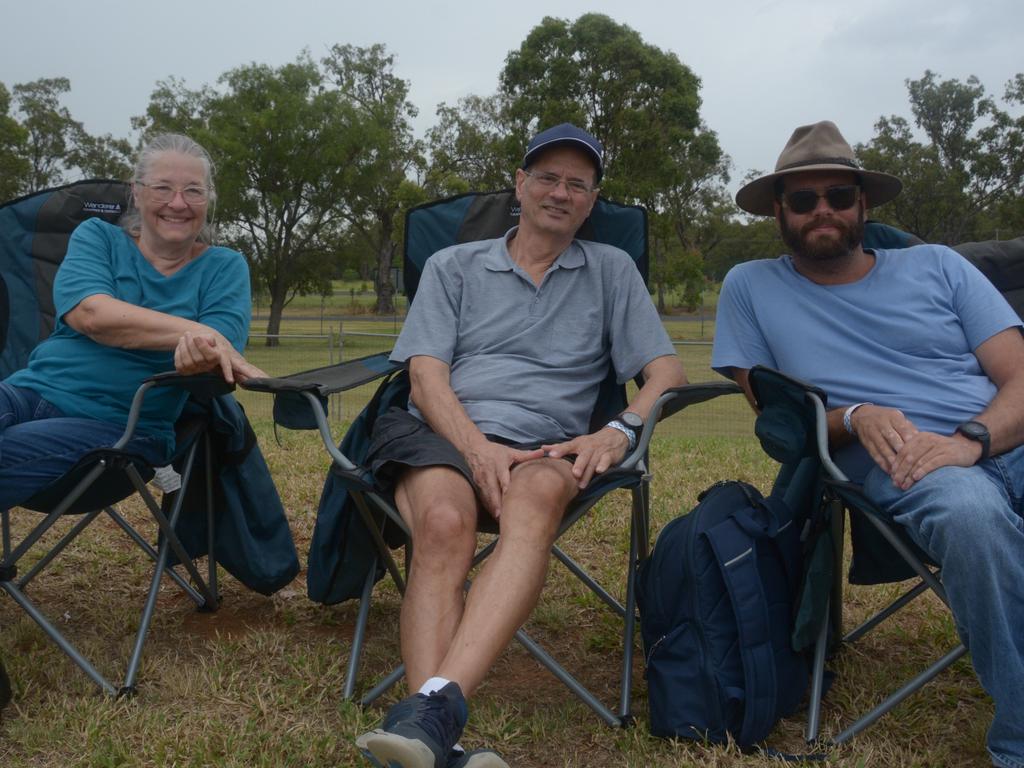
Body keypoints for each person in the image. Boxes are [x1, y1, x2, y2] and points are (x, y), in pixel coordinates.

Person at [355, 123, 686, 768]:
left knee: (533, 501)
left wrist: (619, 430)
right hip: (444, 431)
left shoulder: (611, 271)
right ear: (520, 185)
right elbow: (424, 378)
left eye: (577, 184)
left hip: (549, 446)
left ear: (592, 201)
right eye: (547, 178)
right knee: (446, 521)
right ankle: (439, 728)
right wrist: (477, 449)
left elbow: (665, 374)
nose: (560, 193)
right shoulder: (454, 266)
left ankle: (426, 723)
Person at [711, 120, 1024, 768]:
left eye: (837, 195)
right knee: (972, 519)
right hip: (904, 462)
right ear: (779, 210)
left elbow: (1019, 374)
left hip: (993, 436)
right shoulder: (750, 286)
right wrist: (852, 415)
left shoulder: (938, 265)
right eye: (802, 198)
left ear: (863, 205)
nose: (821, 209)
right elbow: (778, 416)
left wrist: (974, 438)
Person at [0, 132, 264, 511]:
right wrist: (195, 331)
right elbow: (91, 314)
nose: (178, 203)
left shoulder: (224, 267)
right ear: (136, 193)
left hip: (123, 428)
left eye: (193, 191)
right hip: (28, 392)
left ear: (209, 200)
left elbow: (222, 350)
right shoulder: (98, 238)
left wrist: (203, 351)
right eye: (162, 188)